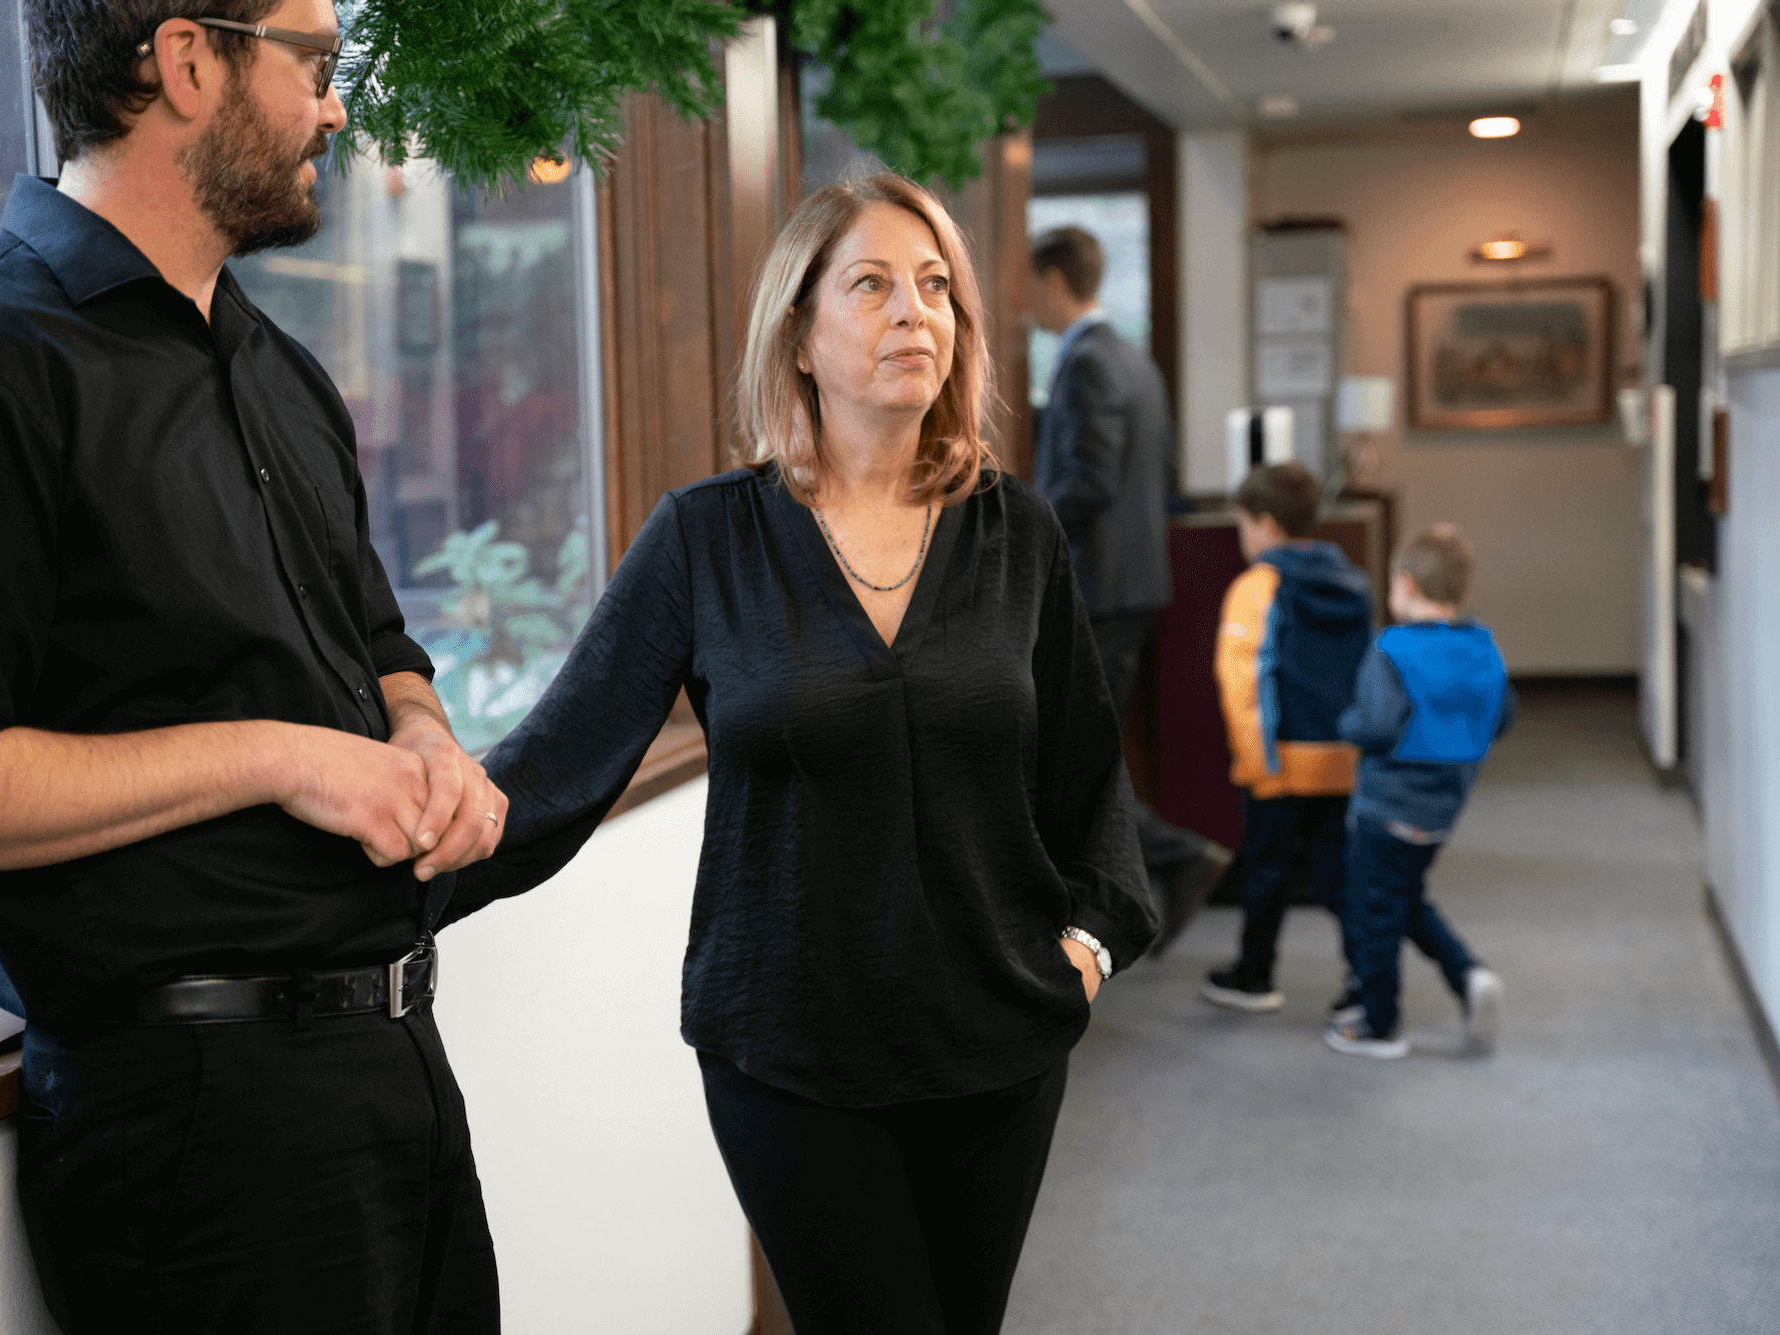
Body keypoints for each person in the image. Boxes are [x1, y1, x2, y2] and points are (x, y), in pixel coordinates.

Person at [0, 1, 506, 1328]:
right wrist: (281, 756)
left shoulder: (279, 370)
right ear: (185, 60)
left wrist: (425, 735)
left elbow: (383, 648)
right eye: (315, 64)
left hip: (394, 1064)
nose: (337, 107)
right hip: (193, 1124)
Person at [450, 174, 1158, 1335]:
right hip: (790, 1055)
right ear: (797, 334)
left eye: (934, 288)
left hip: (999, 1042)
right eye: (871, 286)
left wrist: (1085, 948)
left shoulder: (1013, 529)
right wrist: (346, 891)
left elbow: (1088, 785)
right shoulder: (706, 537)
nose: (913, 314)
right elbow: (551, 770)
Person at [1028, 225, 1228, 954]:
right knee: (1083, 754)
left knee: (1078, 759)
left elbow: (1087, 481)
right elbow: (1164, 472)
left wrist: (1015, 530)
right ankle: (1144, 881)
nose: (1024, 305)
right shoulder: (1135, 360)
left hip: (1100, 591)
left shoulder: (1085, 363)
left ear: (1052, 280)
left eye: (1027, 287)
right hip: (1134, 584)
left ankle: (1175, 860)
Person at [1328, 524, 1512, 1059]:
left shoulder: (1393, 650)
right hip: (1442, 811)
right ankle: (1467, 974)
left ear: (1405, 586)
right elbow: (1503, 716)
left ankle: (1379, 1025)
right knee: (1403, 898)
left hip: (1384, 807)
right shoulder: (1482, 648)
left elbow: (1378, 725)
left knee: (1373, 913)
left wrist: (1346, 723)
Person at [1202, 463, 1371, 1014]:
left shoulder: (1257, 587)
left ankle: (1255, 976)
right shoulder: (1352, 580)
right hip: (1342, 756)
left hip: (1278, 760)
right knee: (1338, 874)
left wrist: (1256, 762)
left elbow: (1242, 681)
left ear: (1265, 524)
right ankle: (1365, 982)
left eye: (1243, 524)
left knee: (1266, 869)